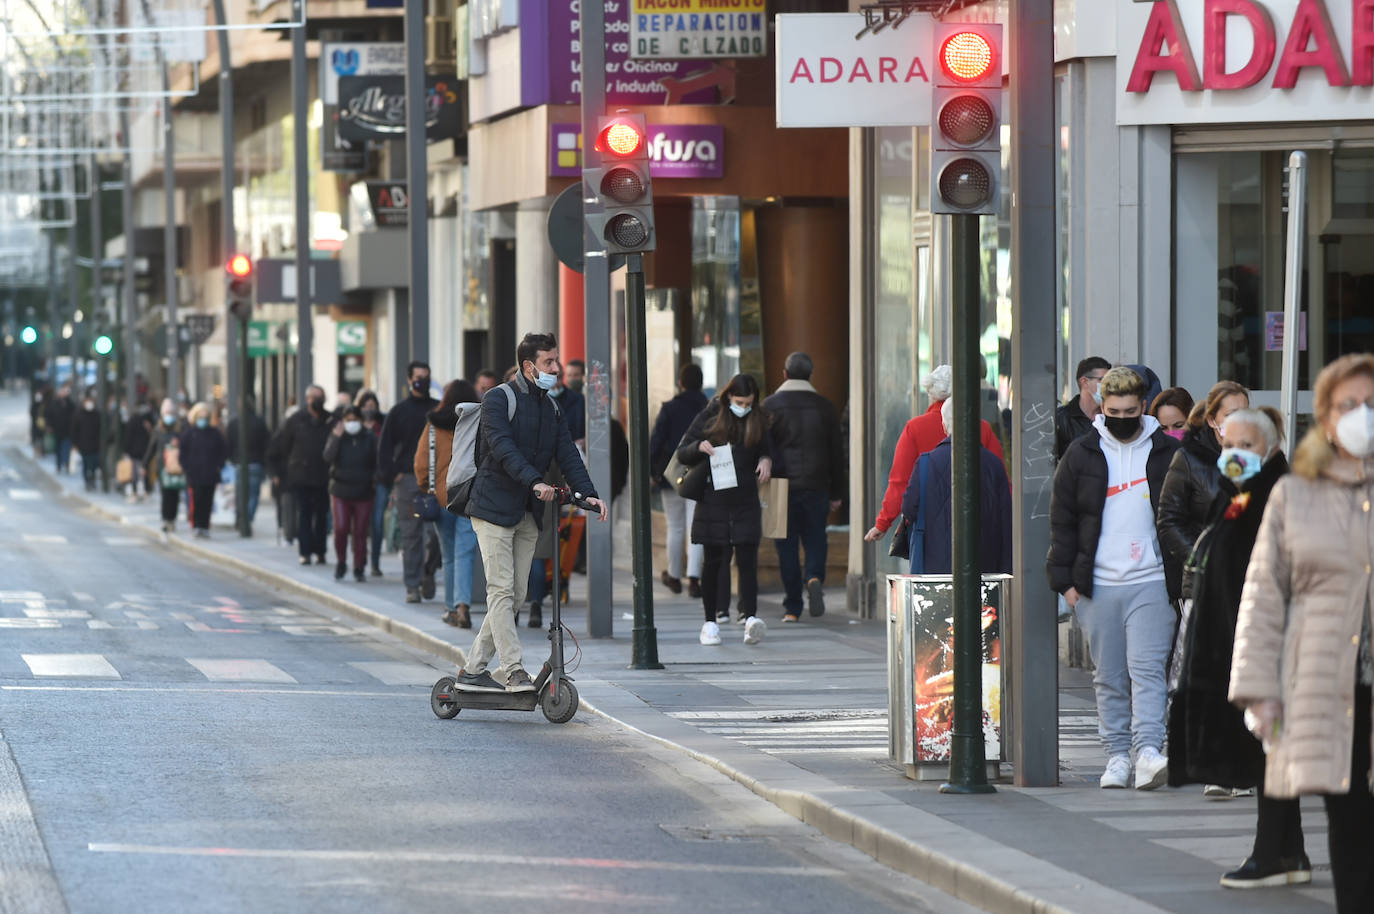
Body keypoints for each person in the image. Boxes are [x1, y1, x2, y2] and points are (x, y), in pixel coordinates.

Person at [1231, 354, 1374, 914]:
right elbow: (1264, 595)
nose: (1362, 415)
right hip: (1327, 685)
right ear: (1326, 417)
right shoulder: (1295, 495)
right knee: (1350, 817)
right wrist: (1258, 689)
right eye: (1349, 405)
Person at [1165, 408, 1309, 888]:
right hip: (1234, 645)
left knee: (1269, 754)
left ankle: (1271, 856)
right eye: (1229, 446)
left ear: (1270, 449)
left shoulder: (1278, 497)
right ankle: (1289, 853)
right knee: (1269, 754)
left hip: (1266, 648)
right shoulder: (1237, 496)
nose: (1235, 455)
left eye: (1247, 447)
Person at [1047, 366, 1181, 791]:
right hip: (1097, 584)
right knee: (1108, 675)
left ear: (1143, 407)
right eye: (1113, 409)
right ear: (1101, 407)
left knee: (1147, 671)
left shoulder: (1164, 451)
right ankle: (1117, 755)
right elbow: (1061, 520)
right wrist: (1066, 584)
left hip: (1153, 581)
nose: (1122, 416)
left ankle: (1147, 752)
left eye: (1130, 409)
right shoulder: (1082, 453)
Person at [452, 332, 607, 694]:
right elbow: (503, 448)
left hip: (526, 512)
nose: (558, 368)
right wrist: (535, 482)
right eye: (550, 362)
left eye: (557, 360)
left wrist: (589, 495)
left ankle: (473, 669)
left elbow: (567, 453)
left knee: (516, 594)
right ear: (529, 366)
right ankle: (513, 670)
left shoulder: (550, 407)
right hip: (491, 506)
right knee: (501, 591)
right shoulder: (497, 399)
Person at [676, 373, 776, 648]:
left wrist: (767, 460)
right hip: (714, 498)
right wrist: (699, 446)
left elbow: (768, 449)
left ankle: (751, 617)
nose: (743, 407)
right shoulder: (711, 415)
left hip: (745, 499)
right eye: (739, 401)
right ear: (728, 397)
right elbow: (683, 451)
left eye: (748, 403)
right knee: (714, 561)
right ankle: (710, 622)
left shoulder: (759, 418)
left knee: (747, 560)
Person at [864, 365, 1004, 546]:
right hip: (975, 520)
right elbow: (999, 478)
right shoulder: (982, 428)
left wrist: (882, 523)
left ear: (931, 395)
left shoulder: (914, 428)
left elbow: (900, 483)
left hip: (928, 524)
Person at [763, 352, 845, 622]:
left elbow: (762, 448)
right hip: (817, 484)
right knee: (815, 538)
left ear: (784, 374)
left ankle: (792, 608)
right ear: (811, 375)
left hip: (780, 487)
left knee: (785, 546)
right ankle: (813, 576)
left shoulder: (770, 406)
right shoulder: (825, 407)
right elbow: (837, 454)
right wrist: (836, 493)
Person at [901, 397, 1012, 574]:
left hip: (935, 565)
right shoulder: (994, 465)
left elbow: (909, 508)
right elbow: (1006, 520)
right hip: (985, 567)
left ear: (944, 427)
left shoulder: (925, 463)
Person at [1157, 381, 1249, 579]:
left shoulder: (1263, 455)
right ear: (1211, 420)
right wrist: (1203, 559)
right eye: (1231, 415)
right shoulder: (1188, 459)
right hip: (1208, 580)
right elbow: (1169, 521)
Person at [415, 380, 481, 628]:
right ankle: (463, 605)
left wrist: (427, 487)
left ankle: (451, 608)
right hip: (469, 496)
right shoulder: (476, 421)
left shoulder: (433, 425)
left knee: (449, 554)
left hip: (442, 497)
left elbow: (421, 464)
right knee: (465, 553)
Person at [378, 362, 441, 602]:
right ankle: (412, 585)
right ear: (409, 379)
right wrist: (393, 474)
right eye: (418, 377)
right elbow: (384, 447)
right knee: (411, 534)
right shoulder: (398, 411)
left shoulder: (438, 409)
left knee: (436, 535)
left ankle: (428, 571)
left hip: (435, 480)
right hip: (408, 479)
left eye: (426, 377)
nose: (422, 381)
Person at [649, 362, 709, 597]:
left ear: (680, 383)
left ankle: (674, 575)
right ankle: (694, 579)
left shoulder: (670, 408)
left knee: (675, 527)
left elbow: (656, 443)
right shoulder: (708, 408)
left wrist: (653, 472)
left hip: (671, 477)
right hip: (700, 475)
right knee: (695, 527)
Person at [269, 385, 334, 566]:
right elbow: (282, 448)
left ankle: (320, 551)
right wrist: (281, 473)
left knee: (322, 515)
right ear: (307, 399)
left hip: (324, 476)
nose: (318, 401)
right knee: (304, 514)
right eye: (315, 397)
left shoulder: (330, 420)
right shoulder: (295, 421)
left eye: (321, 397)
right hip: (301, 477)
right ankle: (305, 552)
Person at [323, 405, 377, 582]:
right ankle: (341, 561)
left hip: (363, 491)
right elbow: (327, 457)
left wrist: (373, 480)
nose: (351, 423)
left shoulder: (369, 438)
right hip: (340, 490)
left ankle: (359, 566)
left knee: (360, 531)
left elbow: (376, 461)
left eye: (355, 419)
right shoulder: (337, 436)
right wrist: (336, 438)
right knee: (341, 528)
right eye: (348, 420)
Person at [179, 402, 227, 539]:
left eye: (205, 416)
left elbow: (222, 451)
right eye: (200, 416)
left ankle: (205, 526)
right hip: (194, 474)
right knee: (197, 500)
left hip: (211, 473)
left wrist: (219, 465)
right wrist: (187, 468)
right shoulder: (189, 434)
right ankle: (197, 525)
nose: (203, 419)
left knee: (208, 501)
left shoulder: (214, 433)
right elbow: (183, 453)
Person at [356, 390, 389, 576]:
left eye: (372, 406)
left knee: (376, 522)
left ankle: (375, 561)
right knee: (360, 522)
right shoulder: (353, 425)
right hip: (358, 481)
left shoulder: (382, 425)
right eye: (366, 406)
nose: (369, 410)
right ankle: (360, 558)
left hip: (379, 480)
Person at [1054, 356, 1111, 462]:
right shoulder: (1061, 419)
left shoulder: (1113, 416)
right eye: (1102, 380)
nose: (1109, 385)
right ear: (1084, 382)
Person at [226, 394, 271, 526]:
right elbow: (267, 443)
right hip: (256, 464)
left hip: (239, 464)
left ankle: (242, 517)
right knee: (253, 495)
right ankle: (248, 518)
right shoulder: (259, 422)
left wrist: (231, 460)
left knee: (241, 495)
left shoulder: (234, 422)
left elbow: (228, 444)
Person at [146, 399, 186, 533]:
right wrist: (144, 464)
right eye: (166, 413)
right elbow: (151, 448)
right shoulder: (158, 430)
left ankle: (172, 519)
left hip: (175, 467)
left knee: (174, 495)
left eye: (171, 412)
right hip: (162, 468)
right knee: (165, 494)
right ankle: (165, 519)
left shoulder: (179, 430)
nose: (169, 416)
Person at [70, 393, 103, 491]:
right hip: (83, 445)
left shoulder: (97, 414)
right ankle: (87, 481)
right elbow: (74, 430)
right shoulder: (78, 415)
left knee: (94, 464)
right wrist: (75, 444)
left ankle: (92, 480)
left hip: (95, 444)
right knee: (85, 463)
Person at [122, 404, 154, 502]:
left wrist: (126, 450)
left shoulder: (132, 420)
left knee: (135, 473)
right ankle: (146, 492)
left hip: (134, 452)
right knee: (145, 471)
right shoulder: (148, 421)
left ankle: (135, 492)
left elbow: (128, 436)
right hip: (145, 451)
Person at [45, 385, 75, 474]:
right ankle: (58, 465)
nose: (63, 393)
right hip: (57, 429)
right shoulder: (54, 403)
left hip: (68, 430)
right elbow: (48, 415)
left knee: (66, 448)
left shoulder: (70, 403)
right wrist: (49, 426)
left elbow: (74, 413)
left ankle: (66, 464)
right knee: (58, 449)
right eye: (62, 391)